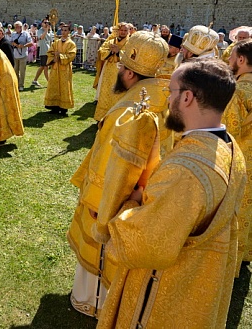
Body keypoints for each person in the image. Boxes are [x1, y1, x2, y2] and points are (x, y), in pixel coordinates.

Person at [97, 59, 246, 329]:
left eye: (171, 91)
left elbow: (146, 242)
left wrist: (128, 204)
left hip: (167, 293)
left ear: (187, 97)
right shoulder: (229, 147)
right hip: (203, 284)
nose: (167, 99)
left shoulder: (185, 171)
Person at [67, 31, 171, 318]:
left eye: (122, 68)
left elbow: (110, 165)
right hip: (150, 193)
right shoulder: (167, 95)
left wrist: (100, 205)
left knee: (101, 252)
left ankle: (92, 302)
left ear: (127, 72)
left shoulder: (128, 109)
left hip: (115, 197)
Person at [223, 39, 252, 268]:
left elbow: (230, 130)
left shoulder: (238, 91)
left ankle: (232, 258)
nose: (229, 61)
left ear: (241, 60)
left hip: (242, 157)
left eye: (231, 57)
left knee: (238, 207)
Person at [93, 23, 130, 121]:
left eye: (125, 30)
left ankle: (116, 118)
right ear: (118, 31)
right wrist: (110, 52)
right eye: (121, 30)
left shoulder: (130, 43)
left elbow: (131, 56)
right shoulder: (111, 41)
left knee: (118, 94)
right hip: (108, 70)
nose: (123, 32)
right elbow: (101, 51)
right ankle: (102, 117)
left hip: (121, 72)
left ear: (128, 31)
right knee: (105, 93)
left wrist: (118, 52)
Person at [44, 24, 76, 116]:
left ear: (69, 31)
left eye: (66, 30)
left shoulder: (71, 44)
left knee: (64, 87)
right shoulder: (56, 42)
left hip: (64, 69)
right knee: (54, 86)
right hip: (55, 68)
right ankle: (54, 106)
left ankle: (63, 108)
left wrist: (61, 56)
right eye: (62, 30)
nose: (63, 32)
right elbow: (49, 52)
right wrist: (53, 58)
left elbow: (71, 55)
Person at [11, 21, 33, 91]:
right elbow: (11, 42)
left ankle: (21, 85)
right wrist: (14, 44)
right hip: (15, 55)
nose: (17, 28)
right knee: (15, 71)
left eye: (19, 27)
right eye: (16, 27)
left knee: (22, 71)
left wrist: (23, 46)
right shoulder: (13, 34)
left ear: (21, 27)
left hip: (23, 55)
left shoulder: (26, 33)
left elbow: (31, 43)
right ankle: (16, 84)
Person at [32, 20, 54, 87]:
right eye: (45, 23)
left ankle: (35, 80)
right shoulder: (40, 31)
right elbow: (41, 37)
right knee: (45, 67)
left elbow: (51, 41)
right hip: (43, 51)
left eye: (48, 23)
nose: (46, 24)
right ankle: (50, 82)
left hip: (48, 51)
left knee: (42, 67)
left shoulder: (50, 31)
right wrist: (46, 30)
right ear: (42, 23)